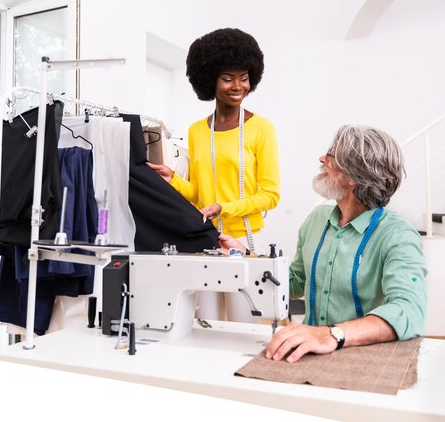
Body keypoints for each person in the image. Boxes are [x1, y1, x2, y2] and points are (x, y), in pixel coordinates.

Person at [219, 125, 428, 362]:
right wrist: (246, 256)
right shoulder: (317, 219)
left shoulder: (398, 235)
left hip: (365, 358)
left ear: (353, 177)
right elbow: (296, 282)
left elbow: (410, 311)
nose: (321, 159)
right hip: (309, 352)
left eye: (331, 156)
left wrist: (331, 335)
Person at [148, 28, 280, 321]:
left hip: (246, 238)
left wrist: (226, 208)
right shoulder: (197, 131)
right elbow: (199, 191)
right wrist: (174, 180)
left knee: (246, 320)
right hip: (206, 238)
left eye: (244, 78)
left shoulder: (262, 129)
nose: (238, 86)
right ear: (210, 79)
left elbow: (271, 195)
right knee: (207, 323)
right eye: (228, 78)